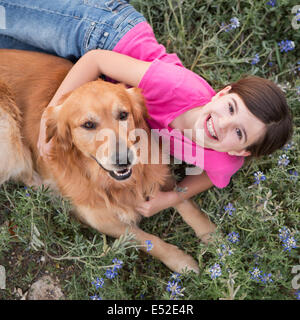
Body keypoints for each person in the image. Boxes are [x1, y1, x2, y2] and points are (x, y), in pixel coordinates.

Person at [0, 0, 293, 221]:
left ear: (240, 152)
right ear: (222, 93)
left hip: (104, 89)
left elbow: (207, 178)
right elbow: (96, 60)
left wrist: (168, 199)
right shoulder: (177, 85)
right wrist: (52, 116)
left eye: (238, 132)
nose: (222, 124)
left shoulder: (224, 161)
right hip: (102, 33)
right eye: (230, 108)